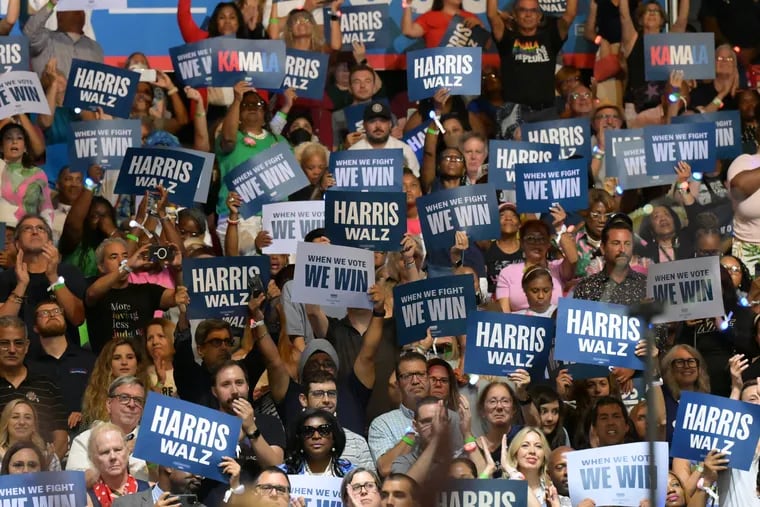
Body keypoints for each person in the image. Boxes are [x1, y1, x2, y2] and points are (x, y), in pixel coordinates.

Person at [0, 213, 86, 358]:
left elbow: (77, 318)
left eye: (41, 228)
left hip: (66, 357)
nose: (35, 231)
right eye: (27, 229)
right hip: (21, 358)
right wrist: (21, 285)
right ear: (17, 243)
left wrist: (53, 277)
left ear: (51, 243)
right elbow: (2, 324)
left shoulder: (69, 272)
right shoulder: (6, 278)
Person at [368, 352, 463, 477]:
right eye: (407, 376)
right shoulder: (382, 424)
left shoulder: (451, 418)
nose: (415, 381)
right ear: (397, 384)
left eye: (420, 374)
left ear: (429, 379)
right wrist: (415, 429)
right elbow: (385, 468)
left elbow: (462, 465)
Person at [84, 239, 186, 354]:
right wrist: (126, 267)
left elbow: (177, 296)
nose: (121, 261)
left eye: (125, 256)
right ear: (101, 267)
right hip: (108, 366)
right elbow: (92, 294)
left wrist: (178, 269)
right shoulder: (94, 287)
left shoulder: (146, 290)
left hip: (142, 366)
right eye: (113, 257)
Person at [486, 0, 578, 126]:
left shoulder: (551, 37)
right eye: (523, 10)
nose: (528, 15)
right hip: (513, 113)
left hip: (546, 112)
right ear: (515, 14)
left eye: (533, 10)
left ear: (539, 16)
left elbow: (570, 14)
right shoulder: (507, 38)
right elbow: (491, 15)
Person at [0, 315, 67, 460]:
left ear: (27, 346)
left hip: (42, 471)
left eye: (18, 343)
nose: (12, 349)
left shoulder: (46, 383)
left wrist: (45, 468)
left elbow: (61, 437)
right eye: (4, 343)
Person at [67, 376, 150, 484]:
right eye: (124, 398)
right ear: (109, 404)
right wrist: (123, 452)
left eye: (138, 400)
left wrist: (153, 465)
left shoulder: (151, 440)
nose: (131, 404)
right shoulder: (85, 439)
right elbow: (74, 483)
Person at [27, 299, 94, 431]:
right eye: (44, 313)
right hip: (43, 435)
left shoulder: (89, 359)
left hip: (85, 431)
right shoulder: (29, 365)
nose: (52, 315)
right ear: (35, 327)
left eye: (57, 312)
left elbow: (102, 396)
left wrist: (87, 414)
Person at [298, 370, 375, 471]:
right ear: (303, 399)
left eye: (331, 394)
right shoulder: (296, 438)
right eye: (318, 394)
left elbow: (370, 483)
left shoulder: (357, 442)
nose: (326, 400)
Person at [496, 219, 577, 313]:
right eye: (530, 238)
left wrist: (563, 236)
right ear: (521, 243)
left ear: (548, 243)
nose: (536, 243)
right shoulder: (507, 273)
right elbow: (504, 314)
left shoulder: (558, 268)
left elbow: (573, 260)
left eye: (541, 238)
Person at [23, 0, 103, 77]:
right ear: (59, 15)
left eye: (81, 10)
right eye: (72, 8)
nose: (78, 12)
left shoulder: (95, 48)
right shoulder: (45, 41)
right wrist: (51, 4)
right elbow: (30, 33)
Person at [80, 339, 148, 428]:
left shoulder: (149, 393)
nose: (124, 362)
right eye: (117, 358)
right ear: (108, 364)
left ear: (137, 364)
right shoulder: (95, 396)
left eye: (130, 357)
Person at [390, 397, 455, 486]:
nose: (434, 426)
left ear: (448, 423)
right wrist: (435, 439)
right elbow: (405, 489)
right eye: (426, 421)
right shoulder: (404, 462)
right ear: (415, 426)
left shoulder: (458, 460)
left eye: (439, 419)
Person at [347, 100, 420, 177]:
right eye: (372, 121)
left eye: (383, 121)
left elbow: (414, 181)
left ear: (390, 124)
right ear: (364, 125)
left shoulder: (404, 150)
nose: (378, 126)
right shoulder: (353, 152)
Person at [86, 423, 150, 507]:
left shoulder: (149, 489)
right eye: (105, 452)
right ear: (93, 459)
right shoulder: (86, 498)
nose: (113, 457)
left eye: (117, 450)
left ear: (127, 452)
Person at [281, 408, 354, 476]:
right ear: (299, 438)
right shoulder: (283, 473)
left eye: (324, 430)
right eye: (308, 431)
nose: (316, 436)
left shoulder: (351, 473)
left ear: (334, 436)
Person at [501, 427, 561, 507]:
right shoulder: (499, 491)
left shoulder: (554, 495)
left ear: (544, 455)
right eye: (525, 445)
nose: (532, 451)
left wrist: (513, 472)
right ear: (515, 453)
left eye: (538, 446)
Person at [0, 399, 60, 470]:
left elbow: (55, 481)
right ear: (6, 422)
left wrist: (44, 466)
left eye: (28, 417)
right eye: (15, 417)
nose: (22, 422)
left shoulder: (49, 456)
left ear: (34, 425)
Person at [113, 466, 204, 507]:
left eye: (201, 470)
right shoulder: (124, 504)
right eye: (193, 468)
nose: (199, 476)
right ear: (169, 466)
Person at [143, 318, 177, 397]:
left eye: (161, 336)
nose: (155, 342)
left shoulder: (187, 373)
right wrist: (160, 382)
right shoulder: (142, 375)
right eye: (150, 338)